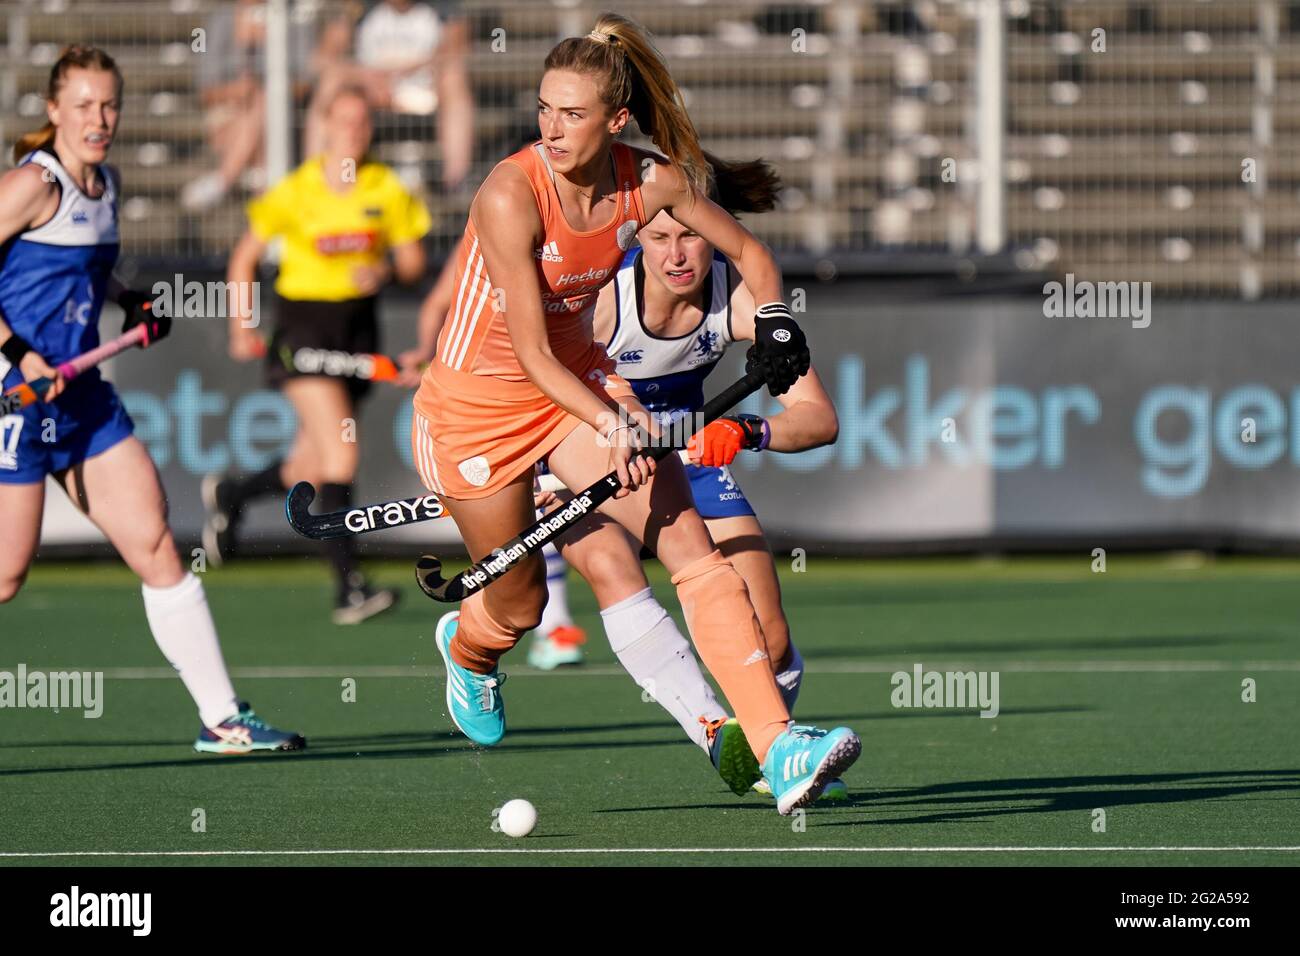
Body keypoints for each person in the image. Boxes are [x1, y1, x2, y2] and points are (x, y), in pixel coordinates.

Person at [409, 13, 860, 814]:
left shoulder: (650, 182)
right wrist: (619, 424)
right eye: (544, 108)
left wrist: (780, 319)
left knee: (688, 542)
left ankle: (777, 745)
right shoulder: (511, 194)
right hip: (476, 409)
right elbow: (532, 355)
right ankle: (471, 648)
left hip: (575, 393)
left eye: (572, 113)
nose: (551, 128)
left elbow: (752, 256)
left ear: (615, 121)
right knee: (520, 603)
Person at [0, 45, 303, 754]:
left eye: (108, 104)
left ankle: (222, 719)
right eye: (82, 106)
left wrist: (132, 303)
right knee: (7, 576)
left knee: (157, 542)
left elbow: (85, 278)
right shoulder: (31, 185)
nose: (98, 119)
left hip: (82, 401)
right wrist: (19, 354)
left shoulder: (104, 183)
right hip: (15, 401)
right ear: (53, 111)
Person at [535, 199, 846, 799]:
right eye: (660, 238)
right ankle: (715, 730)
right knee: (606, 567)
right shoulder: (605, 300)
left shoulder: (738, 300)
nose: (677, 255)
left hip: (686, 461)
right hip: (590, 452)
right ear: (637, 241)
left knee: (771, 638)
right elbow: (533, 387)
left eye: (692, 238)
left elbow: (820, 419)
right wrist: (544, 471)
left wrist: (748, 431)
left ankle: (766, 751)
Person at [205, 83, 431, 625]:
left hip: (357, 332)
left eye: (363, 122)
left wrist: (383, 270)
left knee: (306, 466)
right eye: (344, 121)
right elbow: (243, 259)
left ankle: (234, 493)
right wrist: (242, 324)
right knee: (340, 458)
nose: (354, 132)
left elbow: (414, 263)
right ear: (325, 127)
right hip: (303, 331)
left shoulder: (385, 187)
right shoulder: (296, 190)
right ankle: (349, 587)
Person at [305, 0, 474, 190]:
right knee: (331, 81)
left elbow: (458, 49)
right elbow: (322, 59)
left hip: (426, 87)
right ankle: (315, 176)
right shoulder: (359, 8)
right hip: (370, 89)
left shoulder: (441, 7)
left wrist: (413, 67)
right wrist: (364, 75)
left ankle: (456, 181)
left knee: (454, 76)